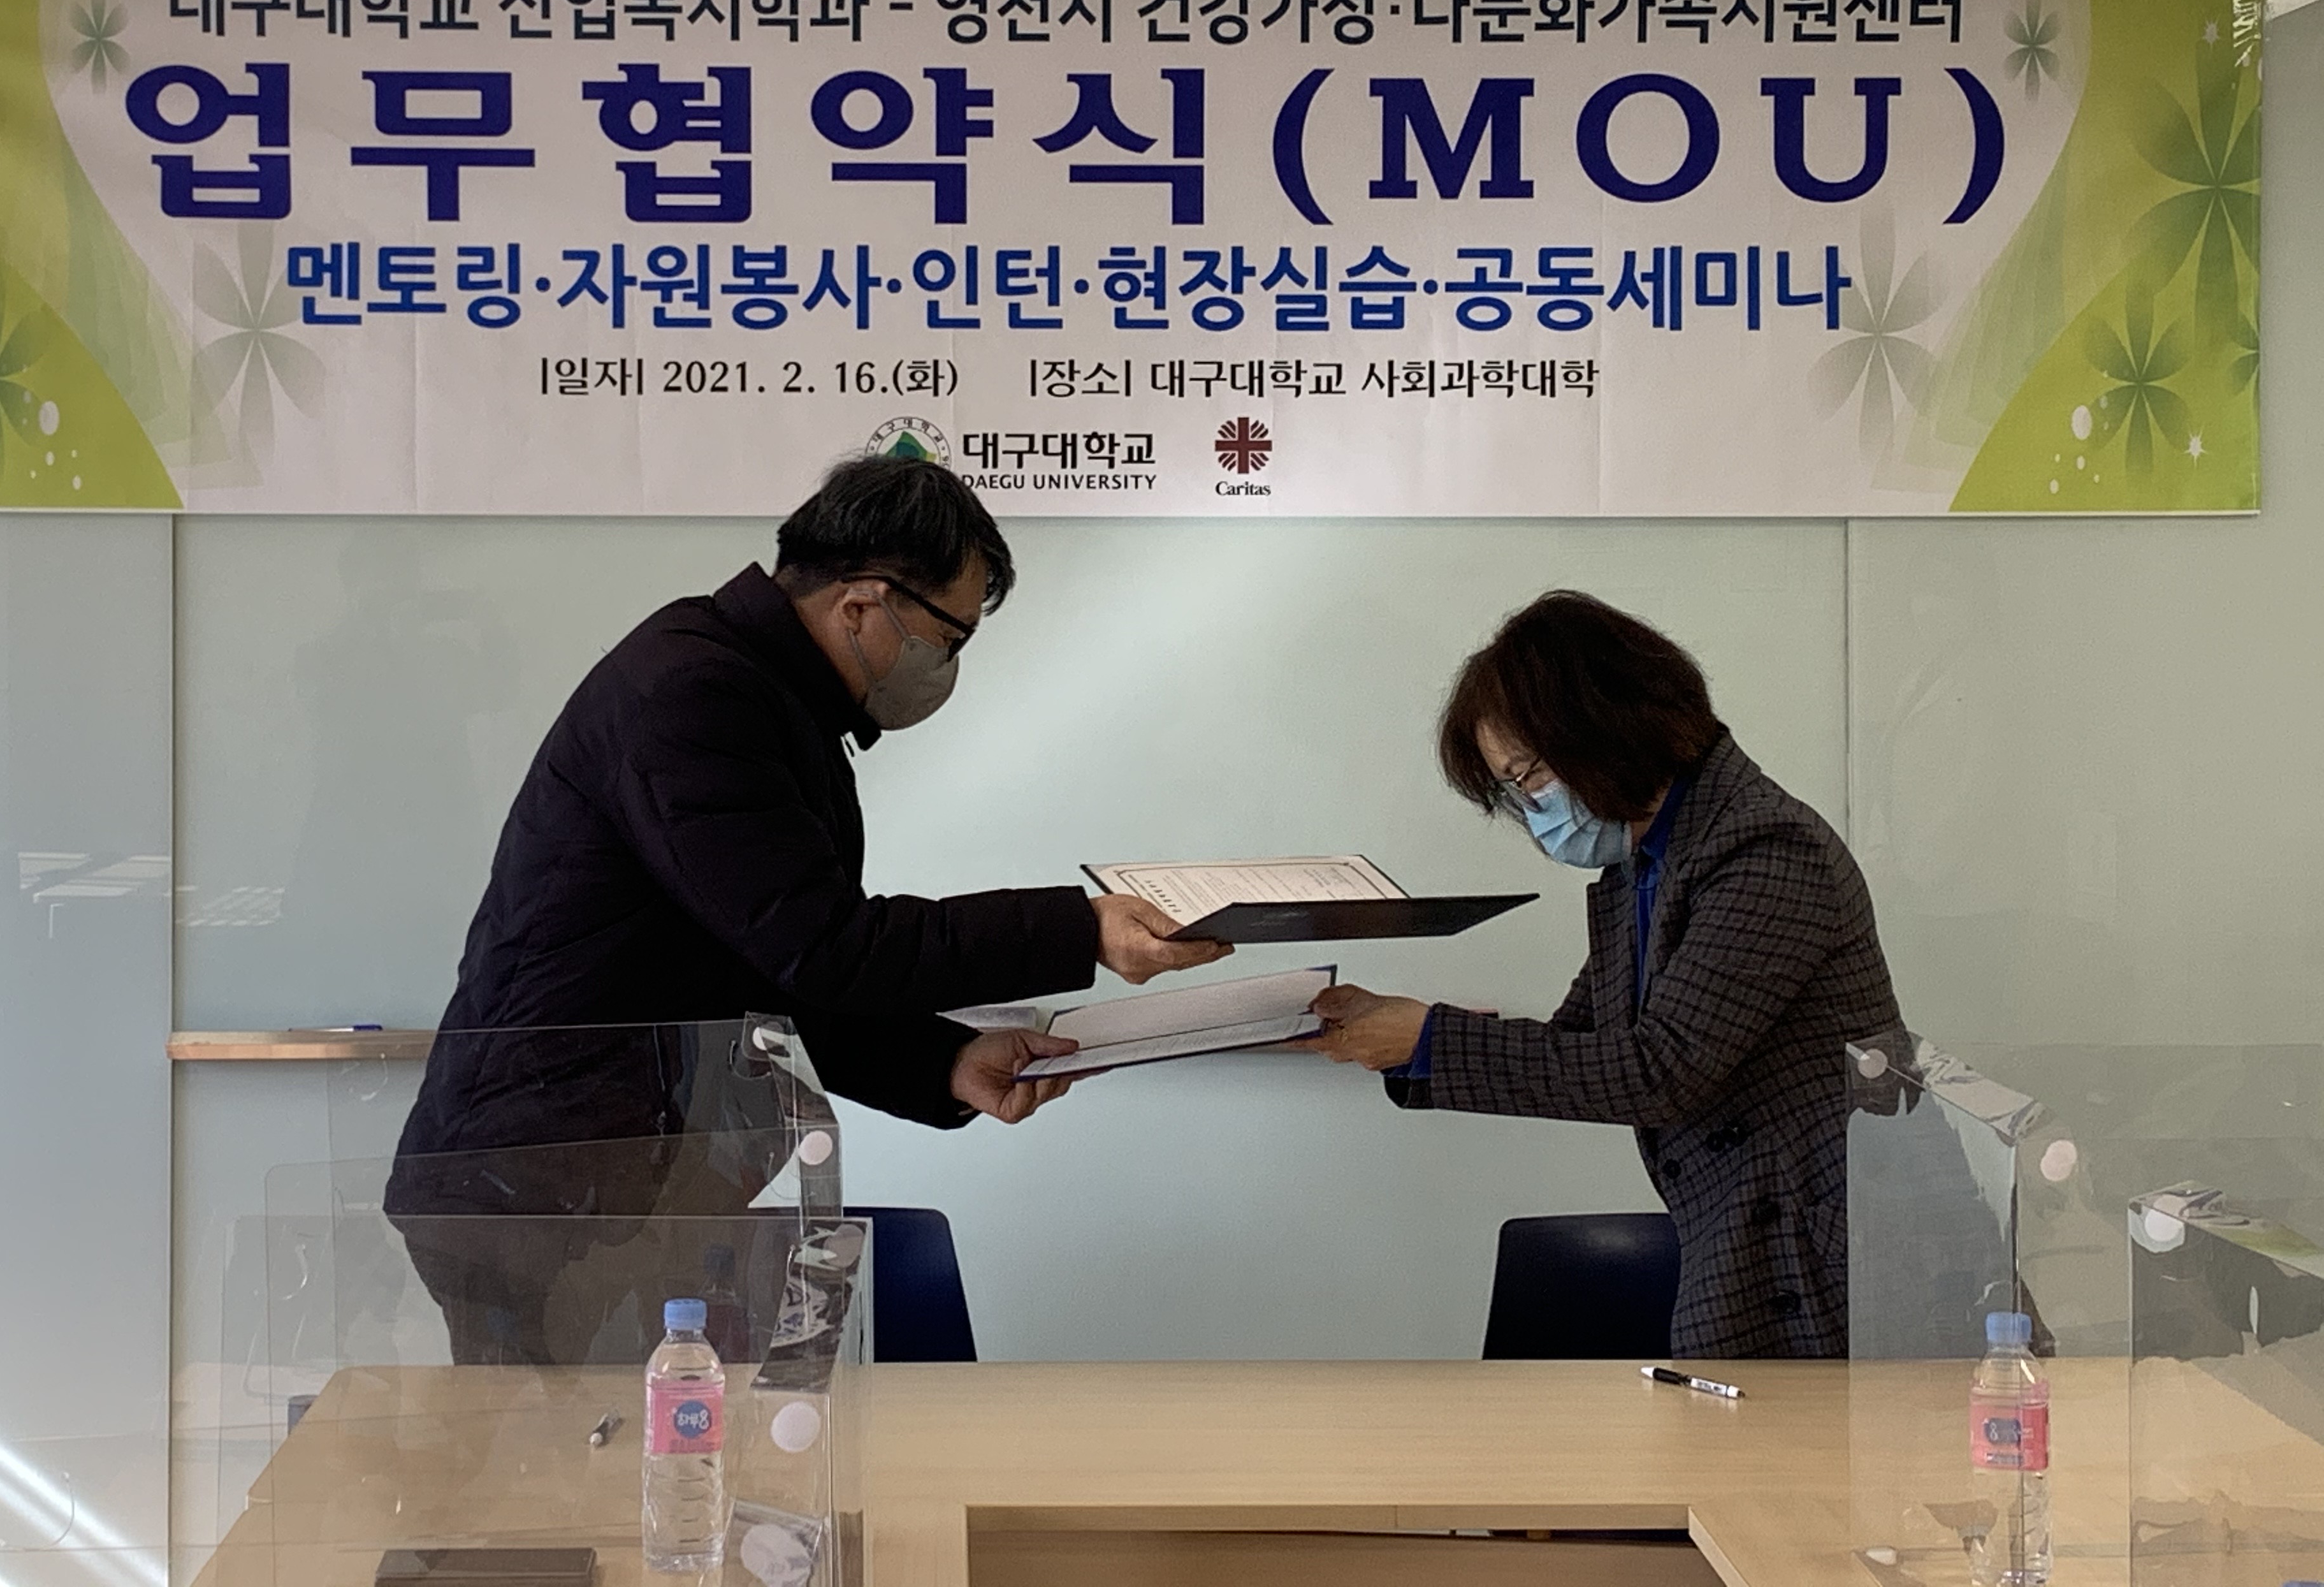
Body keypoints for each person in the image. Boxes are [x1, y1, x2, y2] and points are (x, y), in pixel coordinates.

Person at [388, 455, 1223, 1360]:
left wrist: (945, 1063)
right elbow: (828, 948)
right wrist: (1079, 928)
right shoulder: (693, 694)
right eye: (949, 636)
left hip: (617, 1180)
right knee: (574, 1450)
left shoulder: (763, 697)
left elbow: (769, 967)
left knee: (667, 1438)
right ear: (862, 605)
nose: (947, 665)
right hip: (542, 1193)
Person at [1307, 590, 1903, 1358]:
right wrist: (1391, 1041)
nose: (1530, 807)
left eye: (1528, 775)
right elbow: (1578, 1043)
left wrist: (1426, 1038)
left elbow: (1659, 1071)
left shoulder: (1765, 850)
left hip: (1831, 1252)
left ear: (1604, 727)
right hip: (1751, 1235)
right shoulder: (1646, 863)